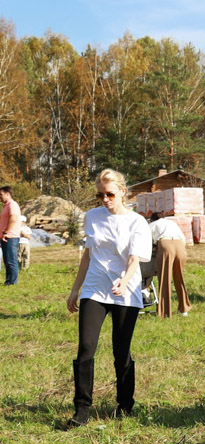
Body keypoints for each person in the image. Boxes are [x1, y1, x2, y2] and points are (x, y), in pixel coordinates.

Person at [65, 169, 152, 427]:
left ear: (123, 192)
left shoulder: (137, 222)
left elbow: (135, 258)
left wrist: (124, 281)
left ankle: (125, 405)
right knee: (85, 348)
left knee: (120, 351)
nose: (105, 199)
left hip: (125, 292)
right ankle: (82, 409)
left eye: (110, 194)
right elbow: (88, 254)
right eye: (101, 195)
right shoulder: (92, 217)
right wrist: (75, 289)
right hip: (95, 289)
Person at [148, 212, 192, 318]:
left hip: (165, 244)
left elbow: (146, 241)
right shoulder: (172, 223)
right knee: (179, 278)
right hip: (180, 246)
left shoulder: (152, 225)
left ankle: (165, 312)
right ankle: (184, 309)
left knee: (164, 279)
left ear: (152, 220)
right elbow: (183, 239)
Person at [0, 185, 21, 285]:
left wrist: (6, 232)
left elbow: (13, 219)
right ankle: (8, 280)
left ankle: (12, 282)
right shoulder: (6, 206)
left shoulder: (12, 205)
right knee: (7, 260)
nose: (0, 197)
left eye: (1, 194)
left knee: (11, 260)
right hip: (5, 237)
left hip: (11, 237)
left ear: (8, 194)